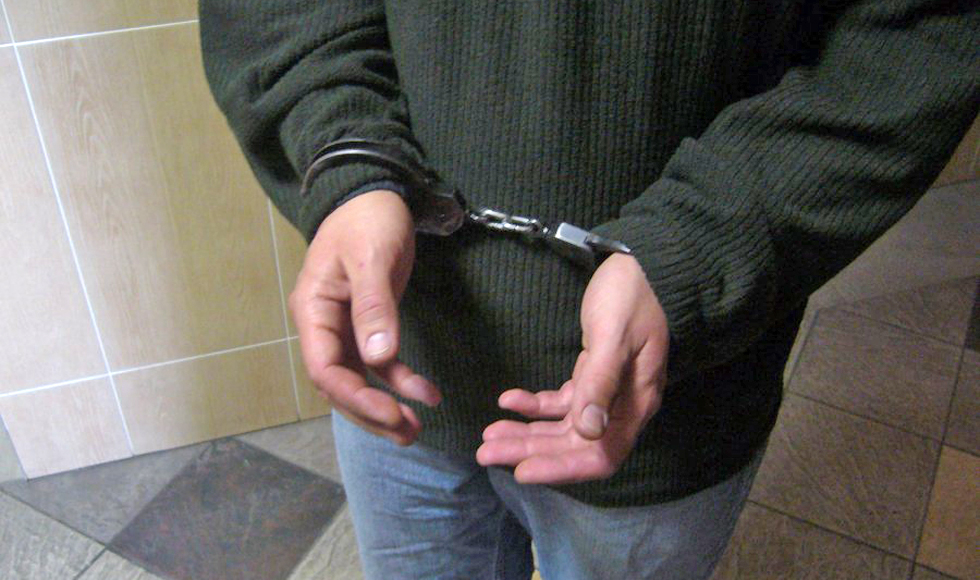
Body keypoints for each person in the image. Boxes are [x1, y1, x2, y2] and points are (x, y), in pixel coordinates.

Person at [200, 2, 979, 578]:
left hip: (665, 413)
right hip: (410, 363)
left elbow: (925, 34)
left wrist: (697, 246)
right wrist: (346, 153)